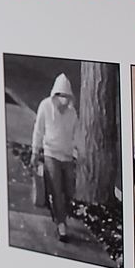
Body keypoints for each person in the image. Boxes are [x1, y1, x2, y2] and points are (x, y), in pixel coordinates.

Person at [30, 74, 80, 243]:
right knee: (57, 190)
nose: (64, 101)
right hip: (51, 154)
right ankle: (61, 224)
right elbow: (38, 130)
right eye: (61, 96)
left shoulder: (72, 113)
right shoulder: (45, 107)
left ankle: (59, 212)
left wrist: (77, 153)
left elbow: (75, 135)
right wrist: (35, 151)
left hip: (67, 157)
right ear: (55, 95)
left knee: (69, 190)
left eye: (67, 97)